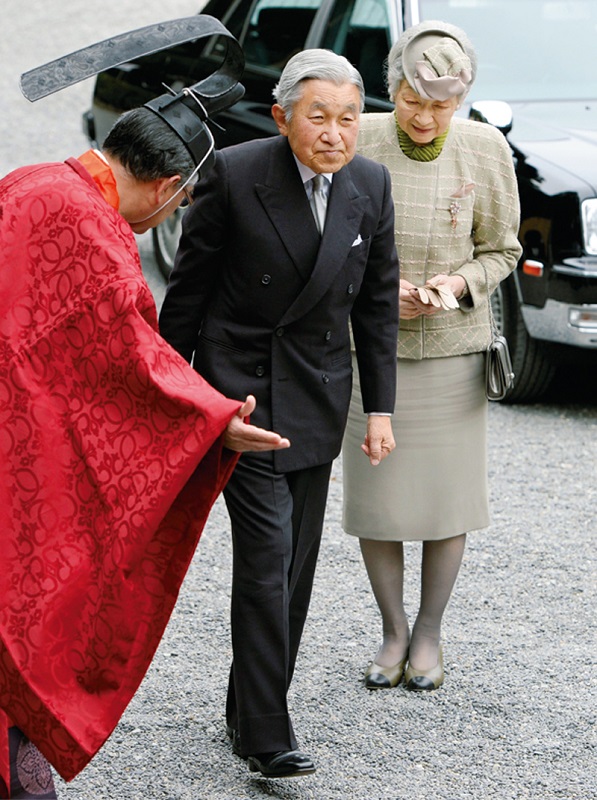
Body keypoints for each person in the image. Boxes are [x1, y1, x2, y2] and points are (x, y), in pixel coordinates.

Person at [0, 106, 290, 799]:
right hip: (26, 451)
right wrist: (212, 418)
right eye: (182, 201)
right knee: (36, 600)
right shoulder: (98, 231)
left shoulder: (28, 181)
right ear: (165, 188)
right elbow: (129, 364)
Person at [159, 49, 399, 778]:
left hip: (319, 398)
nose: (334, 132)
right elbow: (187, 296)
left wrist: (380, 409)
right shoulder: (236, 174)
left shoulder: (369, 183)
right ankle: (267, 734)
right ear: (282, 116)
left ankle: (244, 704)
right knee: (265, 562)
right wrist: (180, 402)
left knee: (294, 570)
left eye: (349, 118)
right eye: (318, 116)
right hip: (244, 398)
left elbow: (376, 307)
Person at [342, 21, 522, 692]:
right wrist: (376, 293)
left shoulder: (483, 148)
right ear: (392, 89)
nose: (424, 116)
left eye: (440, 104)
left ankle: (428, 635)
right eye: (412, 99)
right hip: (370, 349)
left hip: (450, 353)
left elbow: (501, 249)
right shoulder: (358, 140)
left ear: (463, 98)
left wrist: (454, 286)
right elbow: (330, 240)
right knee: (380, 501)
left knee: (446, 504)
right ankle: (391, 631)